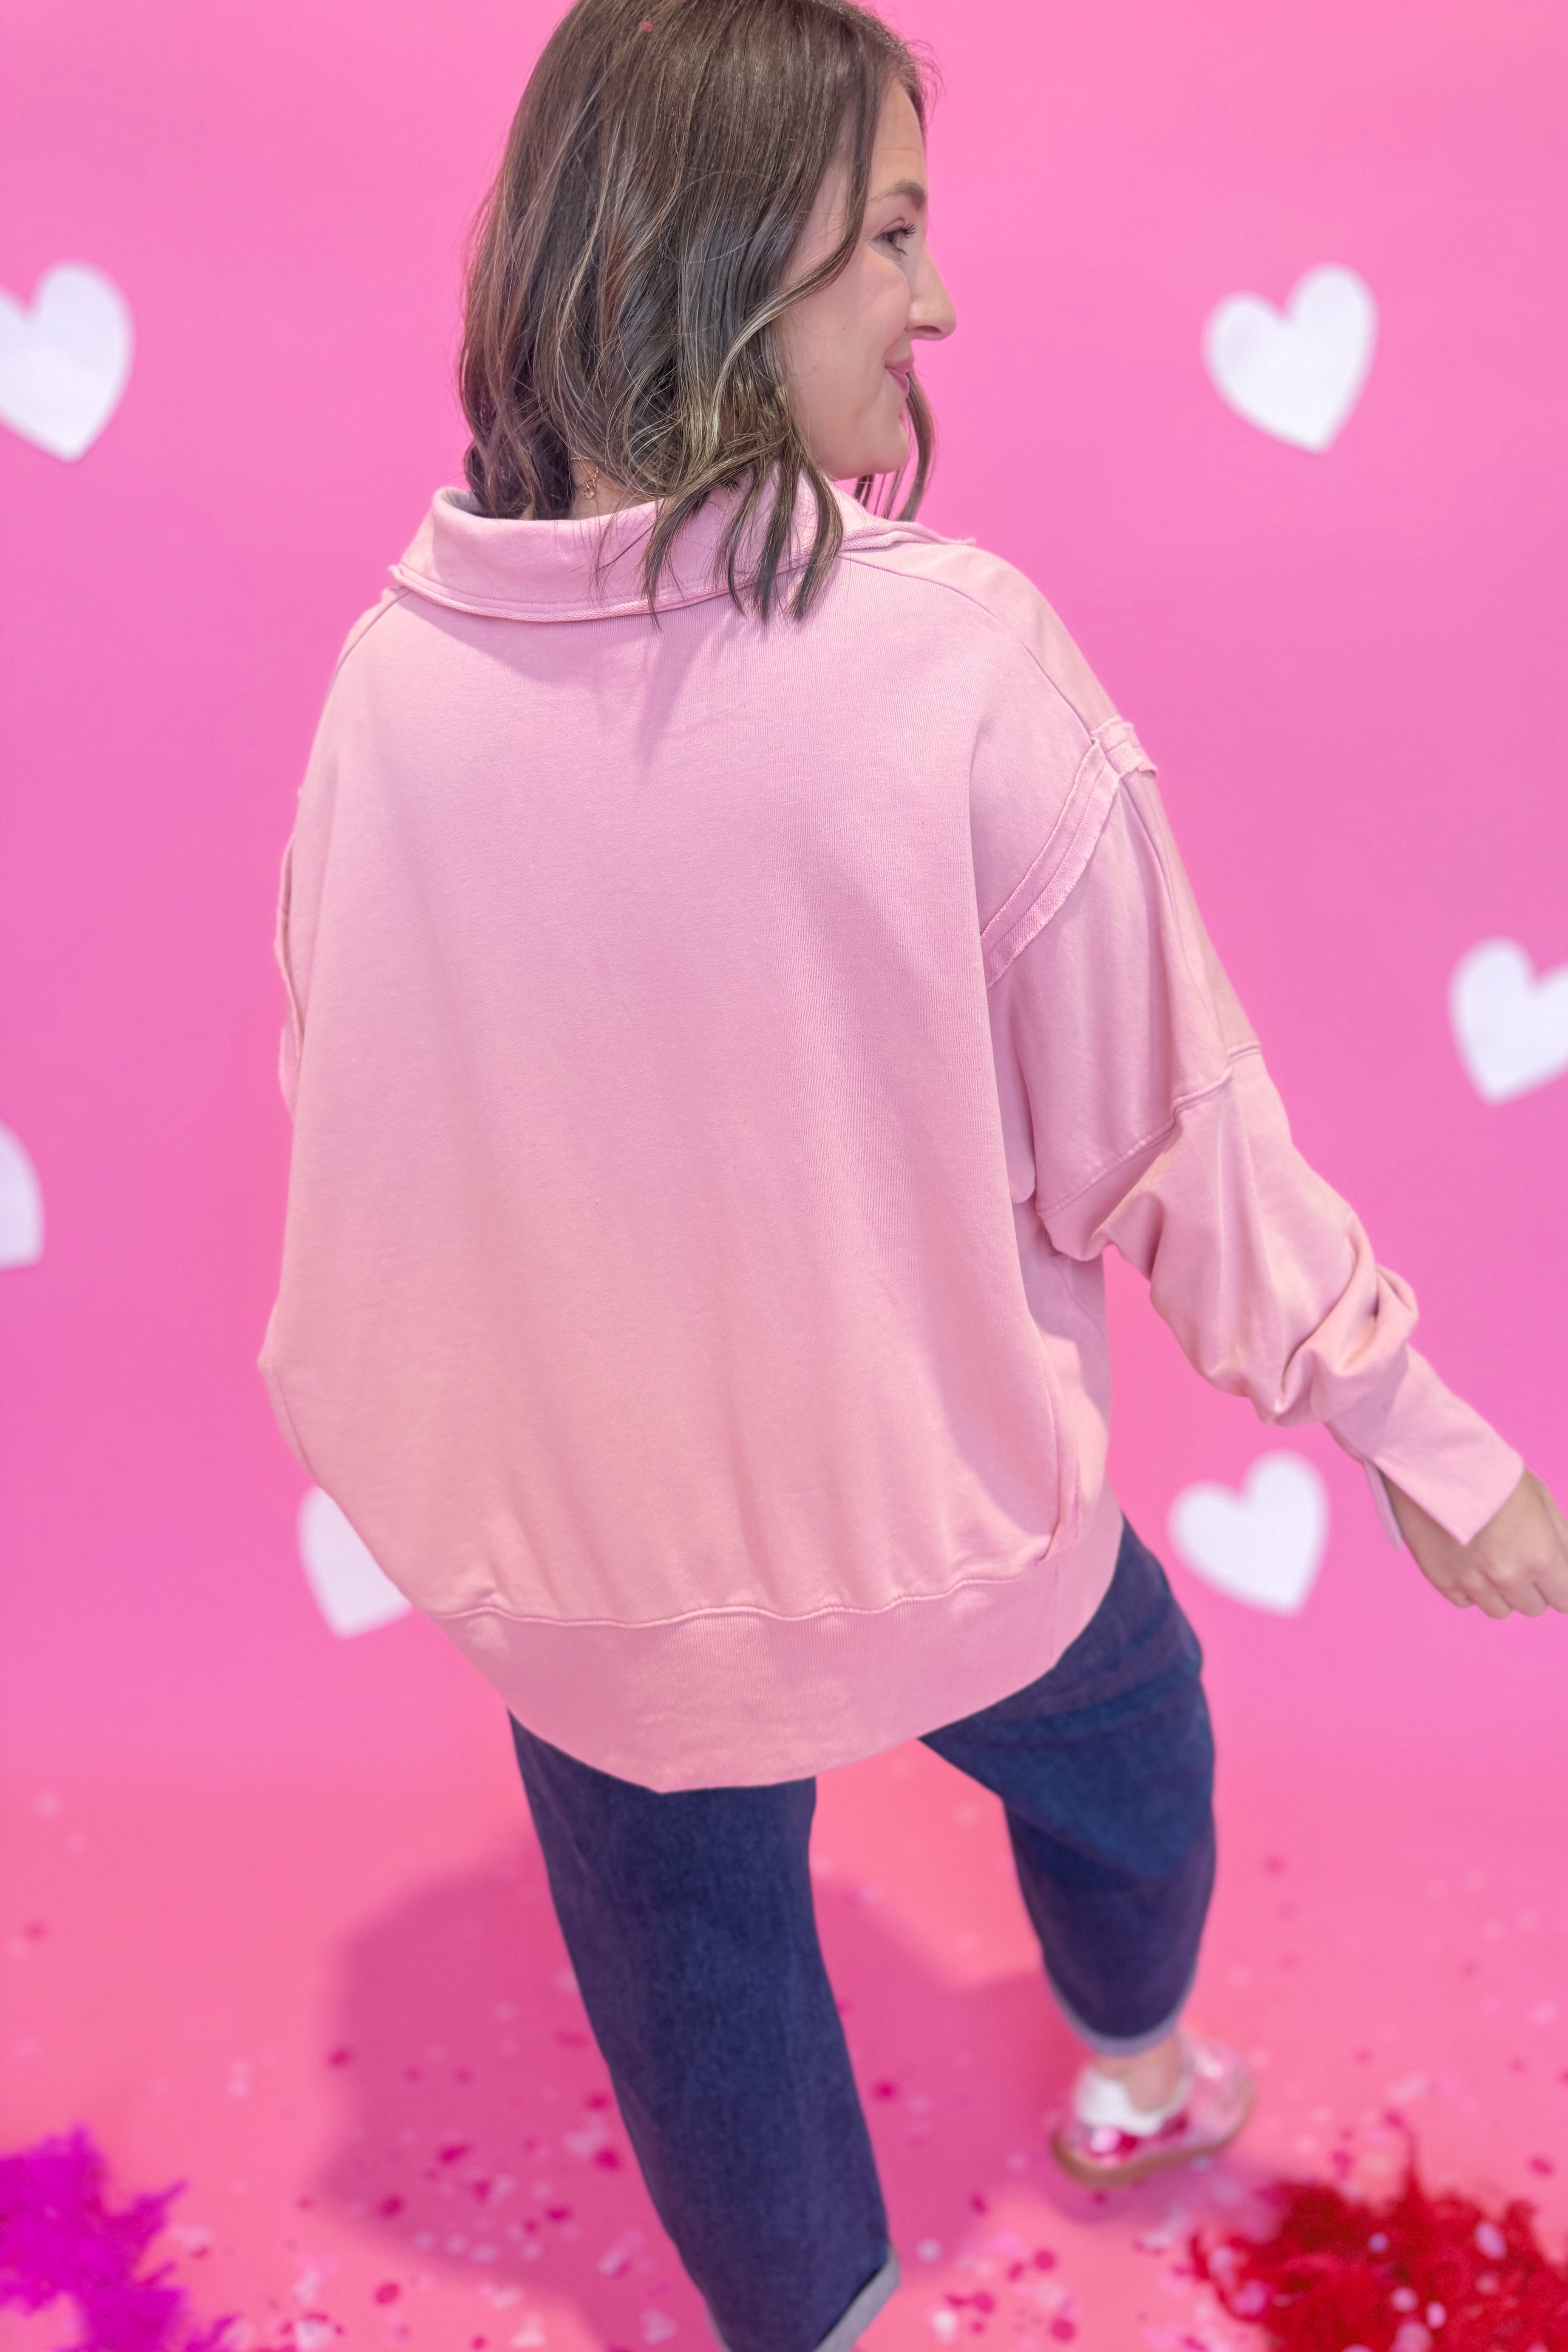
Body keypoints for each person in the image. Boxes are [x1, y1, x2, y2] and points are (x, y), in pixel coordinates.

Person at [258, 0, 1568, 2342]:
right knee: (1132, 1734)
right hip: (954, 1531)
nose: (939, 302)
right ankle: (1139, 2063)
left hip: (588, 1581)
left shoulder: (387, 687)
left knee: (693, 1958)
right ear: (723, 248)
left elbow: (352, 1119)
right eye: (888, 235)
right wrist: (1419, 1434)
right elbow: (1172, 1125)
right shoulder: (955, 668)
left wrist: (485, 1487)